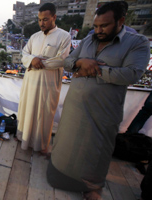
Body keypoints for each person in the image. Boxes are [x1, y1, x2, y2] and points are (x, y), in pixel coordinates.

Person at [47, 2, 150, 200]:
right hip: (75, 106)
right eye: (95, 26)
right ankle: (61, 173)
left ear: (120, 21)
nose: (98, 30)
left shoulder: (138, 42)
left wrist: (95, 70)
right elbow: (68, 62)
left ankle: (92, 186)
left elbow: (131, 74)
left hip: (104, 110)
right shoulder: (88, 39)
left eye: (104, 26)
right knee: (68, 143)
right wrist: (79, 63)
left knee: (96, 151)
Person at [16, 3, 71, 153]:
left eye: (45, 19)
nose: (41, 23)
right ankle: (23, 139)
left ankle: (39, 145)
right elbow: (24, 55)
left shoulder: (64, 36)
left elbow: (61, 60)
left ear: (54, 17)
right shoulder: (34, 37)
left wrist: (38, 61)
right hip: (30, 83)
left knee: (43, 115)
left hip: (48, 85)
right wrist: (33, 59)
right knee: (27, 110)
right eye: (39, 20)